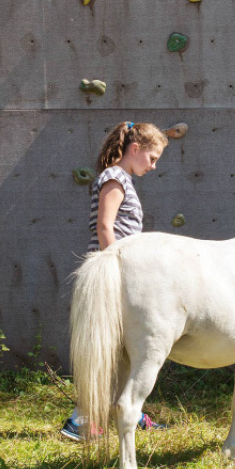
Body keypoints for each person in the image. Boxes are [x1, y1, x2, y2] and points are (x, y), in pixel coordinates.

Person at [60, 121, 171, 441]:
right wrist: (120, 273)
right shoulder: (114, 177)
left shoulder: (120, 178)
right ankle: (81, 419)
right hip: (111, 276)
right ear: (134, 149)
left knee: (125, 349)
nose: (154, 166)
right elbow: (105, 227)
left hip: (118, 274)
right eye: (152, 158)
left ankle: (129, 412)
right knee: (106, 349)